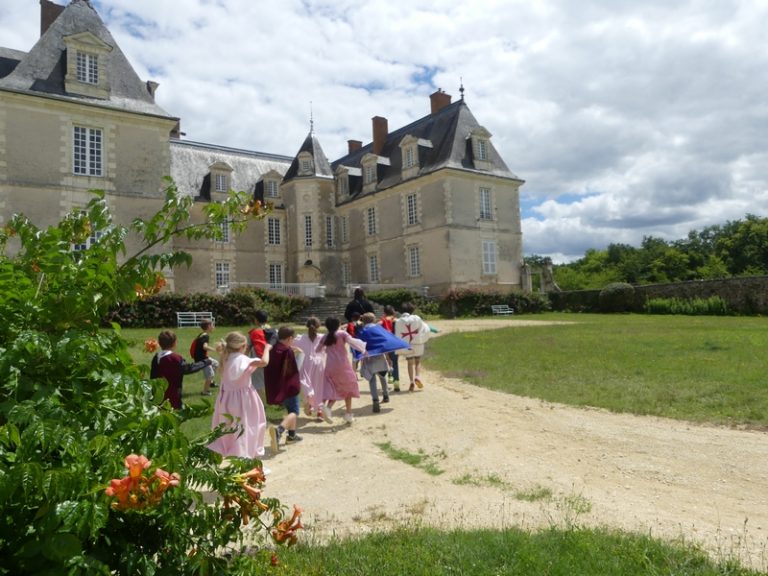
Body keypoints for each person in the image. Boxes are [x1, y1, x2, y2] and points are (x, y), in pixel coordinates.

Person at [208, 332, 271, 459]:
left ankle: (235, 454)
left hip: (225, 400)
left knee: (231, 428)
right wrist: (267, 348)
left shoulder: (225, 358)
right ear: (243, 346)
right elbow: (264, 362)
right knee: (250, 426)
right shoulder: (242, 360)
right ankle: (246, 458)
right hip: (244, 399)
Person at [316, 317, 367, 424]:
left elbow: (317, 350)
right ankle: (346, 413)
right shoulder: (342, 334)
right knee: (349, 387)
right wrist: (363, 349)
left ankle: (328, 407)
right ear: (338, 324)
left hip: (330, 366)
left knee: (334, 387)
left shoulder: (325, 337)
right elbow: (353, 342)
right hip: (343, 365)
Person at [357, 312, 410, 413]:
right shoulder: (379, 329)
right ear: (374, 320)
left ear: (363, 321)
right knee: (382, 377)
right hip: (380, 357)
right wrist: (388, 358)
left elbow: (359, 346)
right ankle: (386, 395)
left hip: (369, 359)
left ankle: (375, 400)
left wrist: (360, 358)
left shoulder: (362, 331)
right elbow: (386, 343)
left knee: (372, 381)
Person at [264, 326, 304, 449]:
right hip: (289, 386)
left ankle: (291, 436)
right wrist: (300, 354)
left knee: (290, 409)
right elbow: (294, 368)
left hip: (278, 387)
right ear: (289, 338)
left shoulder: (274, 349)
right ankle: (279, 431)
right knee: (294, 412)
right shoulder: (288, 351)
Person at [150, 330, 211, 410]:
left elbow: (153, 376)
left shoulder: (156, 357)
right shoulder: (175, 358)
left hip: (158, 394)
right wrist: (206, 362)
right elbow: (189, 368)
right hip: (173, 394)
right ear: (174, 343)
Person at [294, 317, 332, 423]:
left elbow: (290, 344)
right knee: (319, 387)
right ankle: (319, 410)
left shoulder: (300, 338)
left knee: (306, 385)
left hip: (305, 364)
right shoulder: (323, 337)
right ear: (319, 326)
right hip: (319, 364)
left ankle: (309, 404)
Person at [394, 301, 432, 392]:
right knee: (418, 362)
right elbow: (425, 328)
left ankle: (411, 382)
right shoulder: (417, 318)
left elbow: (397, 334)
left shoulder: (398, 321)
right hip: (417, 343)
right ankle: (417, 376)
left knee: (410, 363)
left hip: (407, 345)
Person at [248, 310, 277, 401]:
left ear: (256, 320)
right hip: (272, 358)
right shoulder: (274, 330)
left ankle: (261, 404)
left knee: (257, 383)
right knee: (272, 380)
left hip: (258, 359)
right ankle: (277, 399)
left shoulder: (253, 332)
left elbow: (248, 347)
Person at [192, 319, 219, 396]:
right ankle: (205, 392)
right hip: (202, 359)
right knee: (210, 375)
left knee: (216, 364)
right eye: (212, 325)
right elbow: (205, 347)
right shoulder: (205, 336)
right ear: (209, 326)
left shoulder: (202, 334)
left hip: (202, 357)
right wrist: (214, 349)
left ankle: (211, 383)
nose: (213, 327)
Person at [379, 304, 401, 391]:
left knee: (388, 361)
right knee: (395, 362)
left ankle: (390, 376)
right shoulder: (396, 320)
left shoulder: (382, 321)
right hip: (395, 343)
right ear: (393, 311)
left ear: (384, 312)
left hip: (386, 344)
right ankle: (396, 384)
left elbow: (377, 326)